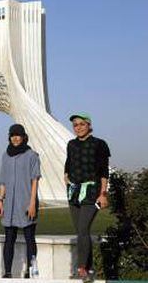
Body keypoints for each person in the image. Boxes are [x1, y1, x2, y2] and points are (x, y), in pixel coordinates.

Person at [64, 113, 110, 281]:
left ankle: (82, 268)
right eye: (75, 125)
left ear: (89, 125)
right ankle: (89, 269)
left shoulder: (99, 144)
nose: (78, 127)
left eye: (82, 124)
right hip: (74, 193)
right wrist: (66, 178)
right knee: (81, 232)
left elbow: (104, 171)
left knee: (83, 229)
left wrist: (103, 193)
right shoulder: (71, 144)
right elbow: (68, 164)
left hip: (91, 192)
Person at [0, 124, 41, 278]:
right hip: (10, 205)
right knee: (9, 240)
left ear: (23, 137)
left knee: (30, 239)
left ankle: (30, 271)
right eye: (12, 135)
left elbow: (35, 180)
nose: (15, 138)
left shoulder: (32, 155)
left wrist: (32, 203)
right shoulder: (5, 156)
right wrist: (0, 201)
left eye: (18, 135)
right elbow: (3, 181)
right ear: (9, 137)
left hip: (27, 204)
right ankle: (7, 272)